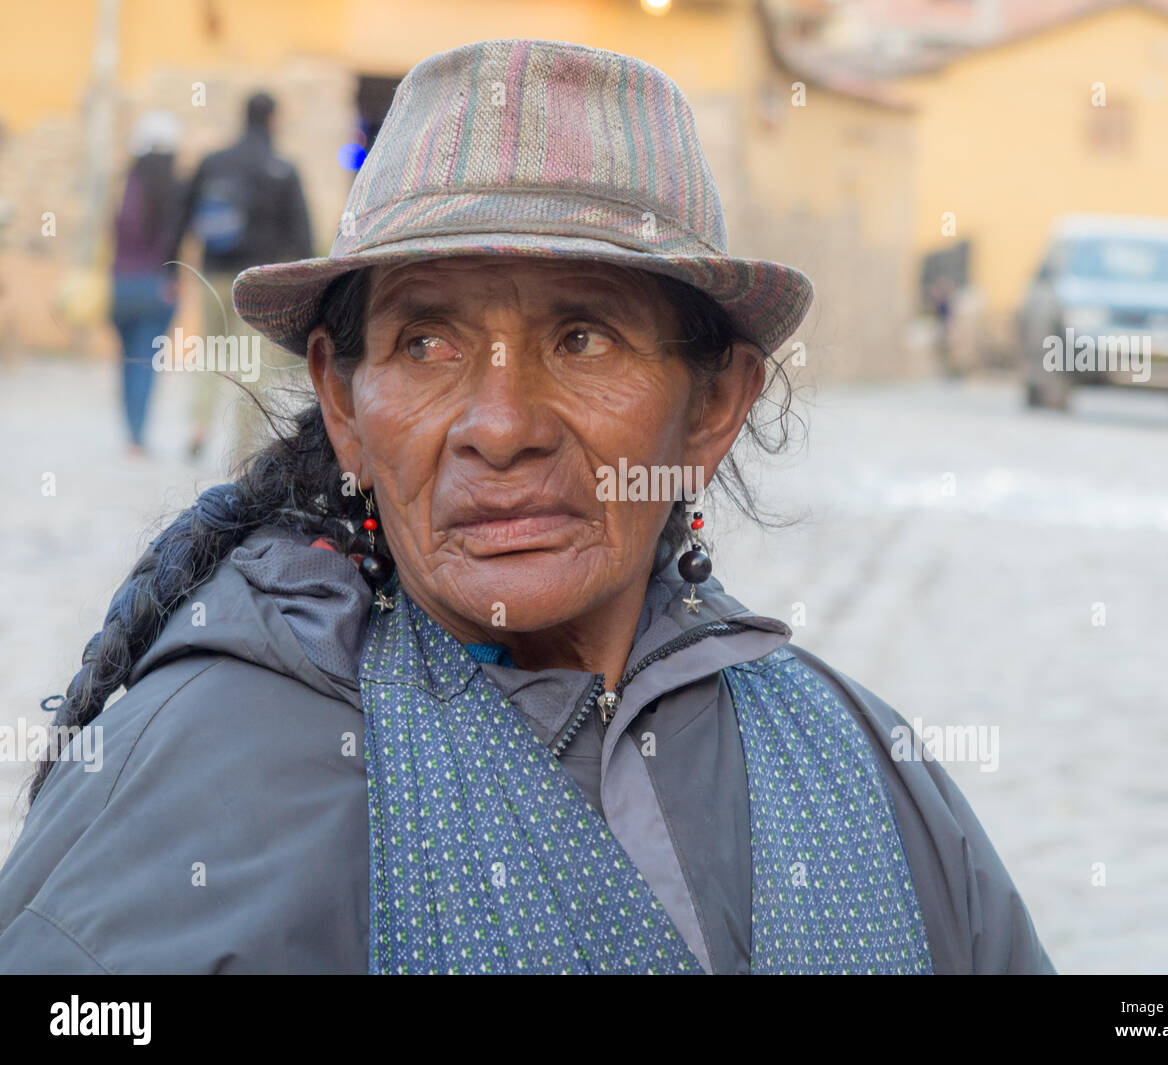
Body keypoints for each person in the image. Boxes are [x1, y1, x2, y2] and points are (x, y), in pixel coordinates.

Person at [0, 40, 1053, 975]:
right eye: (426, 342)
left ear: (714, 403)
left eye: (584, 337)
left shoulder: (863, 778)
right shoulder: (195, 796)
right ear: (343, 403)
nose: (500, 425)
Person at [167, 90, 313, 465]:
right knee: (251, 362)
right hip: (256, 285)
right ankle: (245, 448)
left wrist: (169, 266)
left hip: (212, 275)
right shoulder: (281, 168)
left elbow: (182, 215)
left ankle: (198, 427)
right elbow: (301, 233)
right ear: (273, 120)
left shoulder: (214, 162)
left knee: (211, 353)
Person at [109, 111, 183, 456]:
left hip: (121, 284)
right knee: (145, 360)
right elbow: (177, 242)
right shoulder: (175, 190)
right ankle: (137, 436)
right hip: (158, 286)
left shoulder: (125, 187)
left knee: (127, 359)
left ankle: (130, 431)